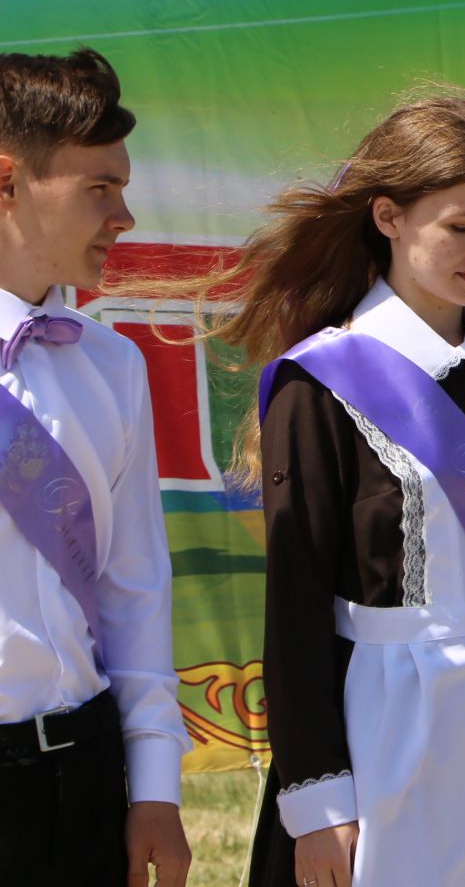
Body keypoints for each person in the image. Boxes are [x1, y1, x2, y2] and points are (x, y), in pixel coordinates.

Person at [179, 92, 465, 887]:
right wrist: (317, 801)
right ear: (388, 217)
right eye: (461, 225)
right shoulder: (322, 381)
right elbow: (297, 608)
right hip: (384, 734)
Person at [0, 50, 193, 887]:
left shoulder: (114, 367)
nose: (125, 216)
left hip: (84, 782)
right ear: (6, 182)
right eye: (98, 190)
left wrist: (154, 789)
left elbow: (135, 590)